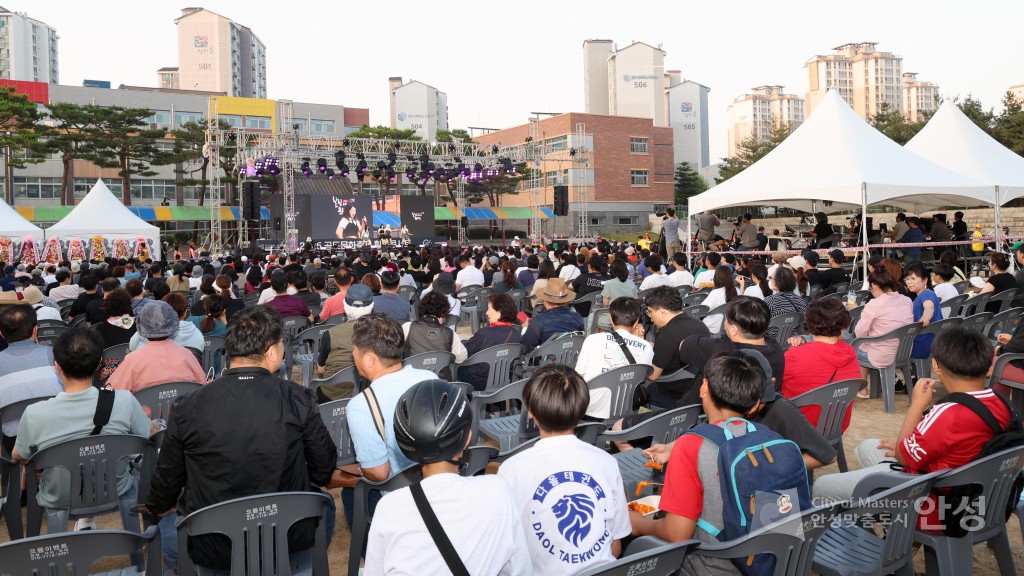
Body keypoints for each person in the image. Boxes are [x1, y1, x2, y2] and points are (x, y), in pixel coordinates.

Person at [144, 306, 340, 574]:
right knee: (325, 502)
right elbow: (323, 469)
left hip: (213, 541)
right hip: (287, 534)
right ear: (272, 352)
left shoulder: (187, 407)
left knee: (168, 526)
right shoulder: (297, 397)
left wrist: (158, 506)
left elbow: (167, 481)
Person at [812, 329, 1009, 527]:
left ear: (936, 365)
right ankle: (873, 522)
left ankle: (868, 534)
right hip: (973, 495)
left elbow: (902, 457)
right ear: (990, 367)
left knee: (821, 486)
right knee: (868, 447)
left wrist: (917, 405)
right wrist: (902, 446)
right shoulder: (1002, 404)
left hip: (930, 505)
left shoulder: (947, 414)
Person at [627, 353, 786, 573]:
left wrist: (635, 523)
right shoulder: (772, 439)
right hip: (770, 561)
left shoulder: (691, 445)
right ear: (755, 406)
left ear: (703, 388)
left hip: (712, 564)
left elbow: (677, 534)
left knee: (631, 548)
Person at [365, 379, 532, 576]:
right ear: (467, 438)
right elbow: (520, 569)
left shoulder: (389, 508)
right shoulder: (498, 491)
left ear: (404, 445)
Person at [13, 328, 154, 534]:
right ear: (99, 364)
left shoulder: (34, 414)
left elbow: (19, 455)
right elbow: (147, 436)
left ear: (58, 367)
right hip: (115, 487)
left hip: (60, 496)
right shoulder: (124, 400)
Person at [498, 365, 631, 575]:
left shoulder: (511, 470)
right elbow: (615, 546)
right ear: (580, 409)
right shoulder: (606, 461)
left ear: (531, 412)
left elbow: (507, 552)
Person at [332, 314, 439, 527]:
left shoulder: (362, 405)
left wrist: (360, 470)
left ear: (370, 359)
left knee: (350, 494)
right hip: (436, 481)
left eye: (354, 351)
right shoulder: (430, 378)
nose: (352, 356)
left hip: (397, 494)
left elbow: (379, 473)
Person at [782, 298, 860, 431]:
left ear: (810, 324)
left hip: (801, 427)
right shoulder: (850, 352)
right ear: (843, 325)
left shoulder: (794, 355)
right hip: (836, 425)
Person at [575, 297, 653, 419]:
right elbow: (641, 375)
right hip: (626, 410)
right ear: (637, 321)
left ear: (611, 318)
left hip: (590, 409)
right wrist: (640, 340)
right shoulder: (647, 346)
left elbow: (579, 376)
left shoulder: (592, 339)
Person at [0, 305, 62, 453]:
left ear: (1, 334)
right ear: (35, 330)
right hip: (57, 433)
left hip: (14, 441)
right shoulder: (55, 355)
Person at [107, 301, 206, 393]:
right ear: (173, 325)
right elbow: (202, 385)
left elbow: (111, 391)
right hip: (182, 410)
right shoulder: (187, 355)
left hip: (143, 411)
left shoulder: (132, 360)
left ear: (141, 326)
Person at [854, 268, 914, 397]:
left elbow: (859, 332)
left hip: (882, 354)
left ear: (874, 285)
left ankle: (862, 389)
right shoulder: (907, 300)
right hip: (904, 352)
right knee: (866, 345)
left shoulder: (874, 304)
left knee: (855, 347)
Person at [643, 287, 710, 383]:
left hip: (669, 386)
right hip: (697, 381)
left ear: (662, 312)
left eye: (650, 312)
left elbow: (653, 376)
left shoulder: (666, 334)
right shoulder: (701, 325)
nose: (651, 318)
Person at [460, 293, 522, 391]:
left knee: (457, 367)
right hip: (505, 380)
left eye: (489, 309)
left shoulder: (484, 334)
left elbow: (464, 351)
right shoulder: (516, 333)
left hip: (480, 381)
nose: (486, 313)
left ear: (499, 312)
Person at [402, 291, 469, 368]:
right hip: (441, 378)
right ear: (443, 312)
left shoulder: (408, 327)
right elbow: (462, 357)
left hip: (413, 377)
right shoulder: (450, 334)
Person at [521, 278, 585, 351]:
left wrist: (525, 329)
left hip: (544, 361)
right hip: (571, 360)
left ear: (545, 300)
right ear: (565, 301)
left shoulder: (537, 321)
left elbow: (525, 348)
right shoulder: (577, 317)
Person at [904, 262, 942, 360]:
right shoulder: (922, 295)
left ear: (925, 280)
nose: (909, 282)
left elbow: (929, 307)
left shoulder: (927, 294)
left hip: (922, 343)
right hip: (929, 341)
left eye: (913, 278)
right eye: (907, 279)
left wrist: (925, 318)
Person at [700, 266, 738, 334]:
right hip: (730, 327)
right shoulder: (737, 290)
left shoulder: (716, 293)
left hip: (713, 327)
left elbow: (702, 308)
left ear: (716, 277)